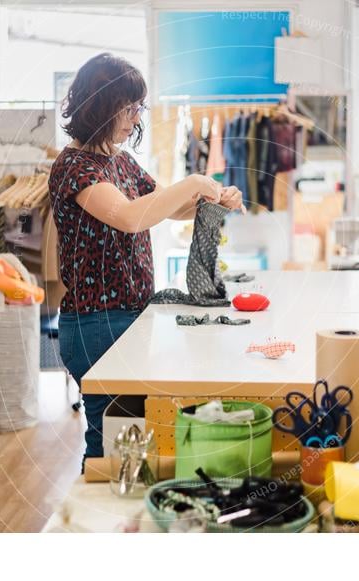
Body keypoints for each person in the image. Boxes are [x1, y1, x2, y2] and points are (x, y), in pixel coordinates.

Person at [48, 53, 243, 469]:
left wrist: (214, 199)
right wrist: (192, 182)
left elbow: (166, 208)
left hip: (130, 316)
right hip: (95, 323)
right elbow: (130, 217)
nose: (136, 119)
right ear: (99, 104)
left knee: (128, 433)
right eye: (129, 107)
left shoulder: (119, 160)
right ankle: (95, 521)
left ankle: (117, 516)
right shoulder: (73, 167)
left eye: (139, 108)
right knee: (108, 438)